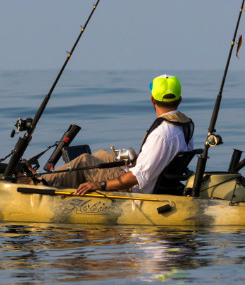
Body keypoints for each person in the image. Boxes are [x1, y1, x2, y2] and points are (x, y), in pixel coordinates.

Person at [42, 74, 195, 195]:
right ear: (179, 99)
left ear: (152, 99)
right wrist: (135, 160)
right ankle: (46, 179)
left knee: (84, 161)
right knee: (102, 154)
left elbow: (137, 177)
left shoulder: (161, 134)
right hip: (154, 177)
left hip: (137, 188)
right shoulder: (183, 126)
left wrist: (98, 184)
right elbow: (159, 160)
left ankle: (39, 184)